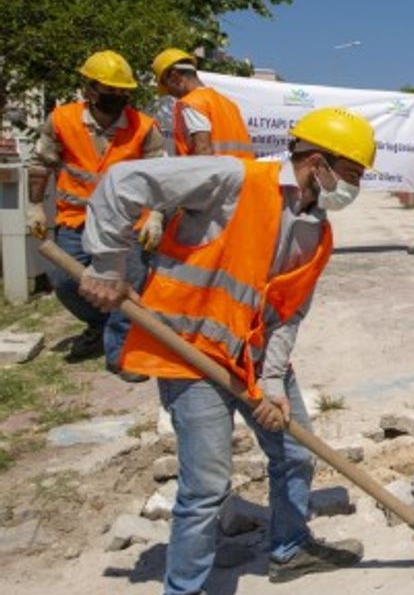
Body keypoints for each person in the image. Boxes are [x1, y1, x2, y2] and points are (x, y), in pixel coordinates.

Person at [77, 107, 374, 593]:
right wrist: (109, 265)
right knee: (207, 488)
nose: (355, 188)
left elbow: (289, 314)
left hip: (253, 360)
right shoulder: (233, 178)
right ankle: (185, 587)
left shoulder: (316, 230)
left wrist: (273, 383)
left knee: (296, 453)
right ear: (317, 161)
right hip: (189, 354)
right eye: (353, 174)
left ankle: (290, 549)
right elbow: (123, 182)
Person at [24, 50, 165, 381]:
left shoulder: (143, 127)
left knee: (125, 286)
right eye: (108, 89)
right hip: (74, 219)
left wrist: (156, 215)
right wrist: (33, 207)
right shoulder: (62, 120)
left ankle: (120, 354)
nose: (116, 96)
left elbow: (162, 176)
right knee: (63, 281)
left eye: (122, 91)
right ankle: (101, 324)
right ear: (88, 88)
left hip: (126, 224)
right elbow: (41, 165)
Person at [152, 47, 256, 159]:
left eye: (167, 86)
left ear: (174, 76)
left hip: (218, 175)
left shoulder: (192, 103)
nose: (170, 93)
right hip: (243, 174)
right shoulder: (228, 104)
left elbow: (203, 151)